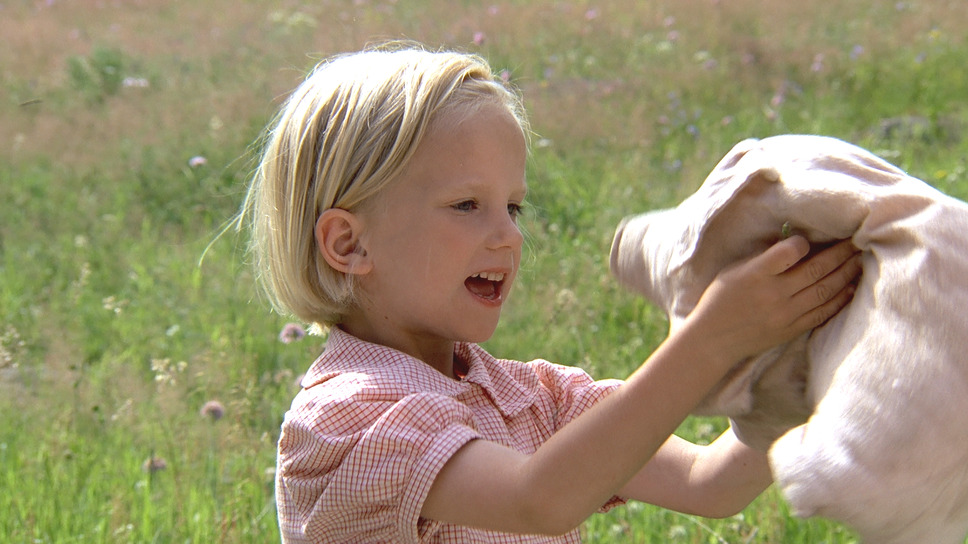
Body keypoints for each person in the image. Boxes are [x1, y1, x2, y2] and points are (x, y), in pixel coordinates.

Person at [238, 43, 862, 543]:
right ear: (349, 245)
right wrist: (713, 337)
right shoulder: (345, 418)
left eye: (512, 206)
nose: (508, 235)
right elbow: (541, 499)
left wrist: (805, 353)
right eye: (466, 205)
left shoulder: (531, 400)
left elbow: (708, 483)